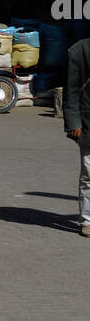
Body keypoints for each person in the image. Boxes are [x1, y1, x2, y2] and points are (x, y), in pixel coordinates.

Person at [63, 37, 90, 237]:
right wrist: (74, 122)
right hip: (88, 122)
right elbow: (71, 90)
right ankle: (87, 220)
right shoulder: (79, 51)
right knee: (89, 174)